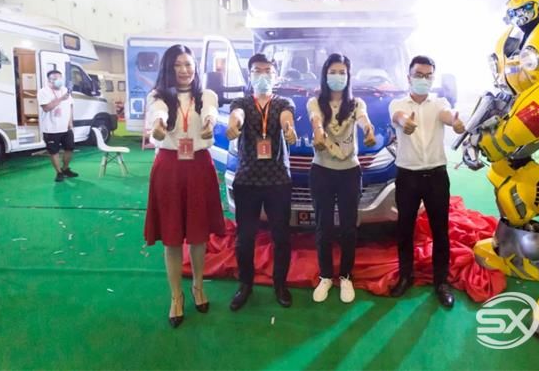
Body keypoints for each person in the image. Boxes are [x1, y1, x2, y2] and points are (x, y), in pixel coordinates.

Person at [144, 44, 226, 328]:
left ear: (195, 67)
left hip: (199, 166)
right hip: (169, 167)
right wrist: (158, 125)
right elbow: (158, 113)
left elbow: (211, 112)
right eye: (177, 65)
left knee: (199, 235)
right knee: (172, 236)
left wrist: (210, 123)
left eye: (188, 64)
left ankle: (198, 287)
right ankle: (176, 296)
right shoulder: (158, 96)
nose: (184, 70)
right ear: (168, 68)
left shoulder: (206, 95)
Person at [388, 55, 465, 308]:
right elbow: (398, 116)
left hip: (436, 176)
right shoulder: (398, 103)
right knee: (404, 229)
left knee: (440, 230)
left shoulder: (439, 102)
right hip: (407, 176)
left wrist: (455, 121)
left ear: (433, 78)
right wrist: (405, 122)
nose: (423, 79)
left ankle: (441, 282)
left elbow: (447, 115)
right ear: (409, 77)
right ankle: (405, 276)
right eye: (418, 75)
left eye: (428, 76)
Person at [226, 53, 297, 311]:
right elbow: (237, 116)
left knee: (281, 237)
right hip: (247, 179)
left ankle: (280, 284)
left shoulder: (283, 103)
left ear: (276, 76)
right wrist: (233, 125)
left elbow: (286, 118)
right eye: (257, 70)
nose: (263, 75)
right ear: (250, 74)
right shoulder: (242, 102)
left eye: (268, 70)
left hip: (277, 180)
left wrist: (289, 129)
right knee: (245, 237)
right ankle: (245, 284)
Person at [308, 53, 376, 303]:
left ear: (348, 76)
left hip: (349, 172)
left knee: (348, 227)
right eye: (333, 72)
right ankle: (326, 276)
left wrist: (368, 129)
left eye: (342, 72)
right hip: (322, 171)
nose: (337, 76)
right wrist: (318, 132)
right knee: (323, 226)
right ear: (325, 75)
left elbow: (363, 119)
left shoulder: (356, 103)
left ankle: (346, 276)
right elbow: (316, 120)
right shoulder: (315, 101)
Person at [37, 70, 78, 182]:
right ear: (49, 80)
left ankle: (65, 169)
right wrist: (61, 99)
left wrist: (70, 122)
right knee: (54, 152)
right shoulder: (43, 92)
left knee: (70, 148)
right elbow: (46, 108)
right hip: (51, 129)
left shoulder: (65, 90)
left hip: (66, 128)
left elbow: (70, 106)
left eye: (60, 78)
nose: (58, 81)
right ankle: (59, 172)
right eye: (55, 79)